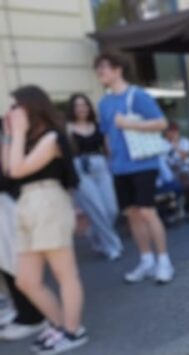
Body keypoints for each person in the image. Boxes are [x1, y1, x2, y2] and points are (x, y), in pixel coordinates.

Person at [4, 85, 87, 355]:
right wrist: (11, 136)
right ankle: (60, 324)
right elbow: (7, 171)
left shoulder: (51, 137)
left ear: (31, 106)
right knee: (26, 280)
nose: (12, 111)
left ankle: (73, 330)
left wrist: (16, 133)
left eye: (16, 105)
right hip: (27, 205)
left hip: (48, 201)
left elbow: (17, 170)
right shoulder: (26, 139)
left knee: (65, 274)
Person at [94, 51, 174, 284]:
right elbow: (107, 135)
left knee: (148, 212)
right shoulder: (105, 102)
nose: (100, 72)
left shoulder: (137, 96)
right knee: (132, 215)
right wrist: (111, 161)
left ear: (118, 69)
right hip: (119, 167)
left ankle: (164, 261)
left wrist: (129, 123)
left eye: (103, 68)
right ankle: (147, 260)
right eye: (98, 69)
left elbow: (161, 123)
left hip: (143, 163)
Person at [0, 120, 47, 342]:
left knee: (13, 262)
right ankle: (23, 312)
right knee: (8, 262)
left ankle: (32, 317)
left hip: (5, 202)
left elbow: (8, 170)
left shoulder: (6, 128)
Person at [66, 93, 123, 261]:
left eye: (84, 104)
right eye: (77, 105)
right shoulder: (67, 128)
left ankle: (93, 232)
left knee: (111, 209)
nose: (81, 108)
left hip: (100, 167)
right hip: (80, 169)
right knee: (97, 209)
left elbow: (108, 150)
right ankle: (113, 246)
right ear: (72, 109)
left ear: (89, 107)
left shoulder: (98, 126)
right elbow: (66, 154)